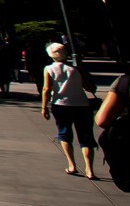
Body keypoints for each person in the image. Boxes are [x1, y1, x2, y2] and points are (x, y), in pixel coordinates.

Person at [41, 42, 98, 179]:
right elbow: (91, 88)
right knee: (86, 136)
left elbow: (46, 89)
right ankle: (89, 169)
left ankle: (72, 165)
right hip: (82, 104)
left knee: (65, 133)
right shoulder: (77, 69)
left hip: (60, 105)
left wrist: (44, 107)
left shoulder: (49, 69)